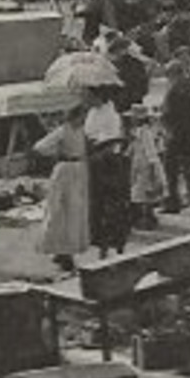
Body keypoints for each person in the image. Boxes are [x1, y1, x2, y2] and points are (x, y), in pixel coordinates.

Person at [35, 104, 90, 273]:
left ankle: (67, 250)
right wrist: (56, 152)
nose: (83, 120)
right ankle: (62, 251)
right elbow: (40, 147)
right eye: (80, 116)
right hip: (65, 169)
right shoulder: (63, 131)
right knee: (60, 211)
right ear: (73, 116)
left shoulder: (84, 131)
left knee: (76, 212)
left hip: (80, 169)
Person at [84, 87, 131, 259]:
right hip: (95, 158)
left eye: (88, 95)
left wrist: (97, 143)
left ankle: (115, 242)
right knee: (96, 203)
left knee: (110, 203)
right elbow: (88, 133)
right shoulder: (92, 113)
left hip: (108, 159)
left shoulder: (111, 114)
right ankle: (100, 242)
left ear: (97, 95)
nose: (85, 99)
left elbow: (113, 139)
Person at [159, 55, 190, 214]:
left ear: (173, 74)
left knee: (170, 169)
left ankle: (173, 201)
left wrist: (164, 126)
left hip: (176, 134)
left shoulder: (172, 91)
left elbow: (167, 114)